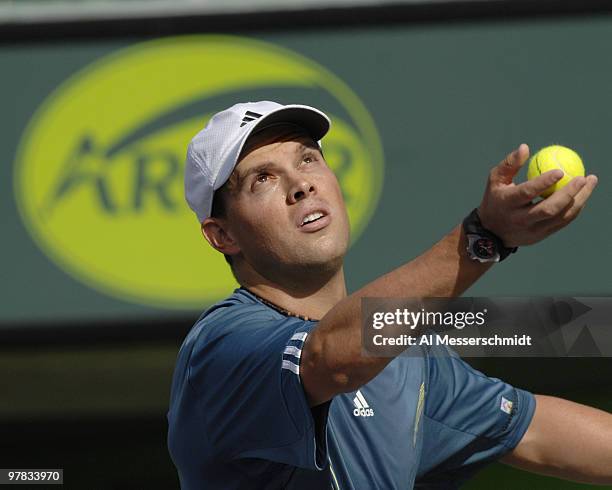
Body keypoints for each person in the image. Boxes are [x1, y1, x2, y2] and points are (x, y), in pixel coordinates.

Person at [167, 101, 611, 489]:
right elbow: (331, 359)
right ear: (223, 235)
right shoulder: (219, 348)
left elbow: (534, 432)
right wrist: (484, 237)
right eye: (262, 179)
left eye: (307, 160)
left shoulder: (404, 360)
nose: (300, 185)